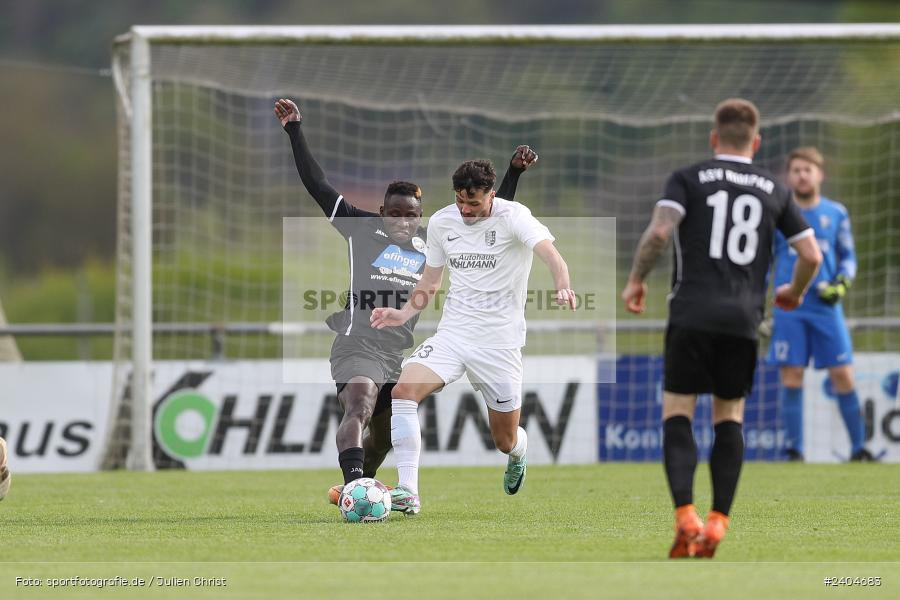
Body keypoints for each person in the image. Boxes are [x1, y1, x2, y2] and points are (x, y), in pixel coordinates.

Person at [274, 99, 539, 505]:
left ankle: (361, 484)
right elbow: (317, 183)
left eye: (410, 215)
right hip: (356, 343)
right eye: (394, 213)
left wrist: (513, 174)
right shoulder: (360, 227)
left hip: (394, 353)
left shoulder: (433, 239)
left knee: (381, 440)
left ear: (420, 216)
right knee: (359, 406)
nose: (402, 221)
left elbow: (489, 220)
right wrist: (295, 130)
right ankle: (354, 487)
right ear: (382, 212)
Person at [621, 98, 822, 558]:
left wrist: (636, 280)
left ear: (714, 138)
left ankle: (685, 516)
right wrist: (793, 291)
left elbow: (659, 233)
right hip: (743, 320)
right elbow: (812, 255)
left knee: (678, 411)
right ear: (756, 142)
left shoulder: (688, 178)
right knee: (729, 417)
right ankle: (717, 523)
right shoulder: (775, 188)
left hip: (691, 314)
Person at [370, 159, 575, 515]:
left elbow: (552, 256)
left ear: (491, 194)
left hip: (499, 343)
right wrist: (402, 313)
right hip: (453, 334)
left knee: (504, 440)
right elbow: (431, 281)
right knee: (403, 391)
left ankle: (519, 451)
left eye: (474, 203)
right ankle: (408, 491)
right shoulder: (443, 222)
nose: (465, 210)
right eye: (460, 201)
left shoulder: (515, 217)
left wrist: (563, 285)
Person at [768, 147, 873, 462]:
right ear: (789, 176)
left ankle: (859, 450)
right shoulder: (779, 214)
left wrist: (842, 283)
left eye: (808, 170)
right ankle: (794, 452)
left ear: (820, 175)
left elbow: (849, 257)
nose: (802, 175)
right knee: (792, 376)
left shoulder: (836, 213)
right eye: (796, 170)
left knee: (843, 374)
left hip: (826, 307)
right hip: (789, 308)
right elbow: (765, 262)